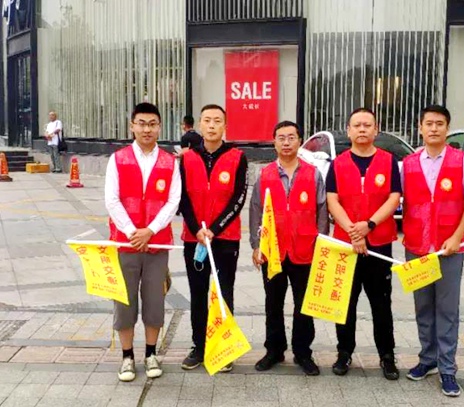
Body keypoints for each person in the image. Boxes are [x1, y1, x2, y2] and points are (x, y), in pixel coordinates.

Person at [402, 104, 464, 397]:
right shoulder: (408, 164)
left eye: (439, 123)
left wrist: (457, 237)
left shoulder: (463, 161)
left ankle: (447, 368)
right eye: (429, 123)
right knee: (423, 308)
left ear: (447, 128)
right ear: (420, 128)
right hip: (417, 248)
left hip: (450, 249)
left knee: (447, 310)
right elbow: (397, 201)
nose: (434, 128)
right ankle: (428, 360)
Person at [105, 102, 182, 382]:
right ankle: (127, 357)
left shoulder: (170, 162)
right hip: (125, 244)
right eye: (141, 123)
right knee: (124, 301)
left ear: (159, 127)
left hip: (157, 244)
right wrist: (132, 231)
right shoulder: (118, 159)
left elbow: (173, 201)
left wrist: (149, 230)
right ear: (132, 126)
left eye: (152, 124)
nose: (147, 129)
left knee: (154, 301)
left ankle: (151, 354)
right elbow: (111, 200)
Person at [325, 107, 401, 380]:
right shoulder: (338, 163)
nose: (362, 129)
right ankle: (344, 352)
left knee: (381, 304)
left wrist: (369, 225)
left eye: (367, 125)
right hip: (345, 246)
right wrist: (353, 232)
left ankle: (387, 356)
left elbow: (394, 197)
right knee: (345, 303)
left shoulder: (388, 161)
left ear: (376, 130)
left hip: (378, 243)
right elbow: (332, 200)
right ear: (348, 131)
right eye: (356, 125)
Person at [249, 121, 329, 376]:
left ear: (300, 141)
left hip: (305, 249)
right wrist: (256, 246)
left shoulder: (313, 174)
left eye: (291, 137)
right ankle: (274, 350)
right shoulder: (265, 175)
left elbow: (322, 211)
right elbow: (255, 210)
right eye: (281, 138)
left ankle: (303, 352)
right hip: (273, 250)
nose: (286, 142)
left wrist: (321, 244)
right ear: (274, 142)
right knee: (273, 303)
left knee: (304, 304)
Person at [179, 104, 248, 372]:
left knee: (223, 293)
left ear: (225, 126)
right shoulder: (187, 158)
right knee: (197, 294)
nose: (211, 125)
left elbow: (239, 198)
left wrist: (215, 229)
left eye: (217, 121)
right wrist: (197, 229)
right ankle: (199, 346)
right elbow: (182, 198)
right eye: (207, 120)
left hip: (226, 238)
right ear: (200, 124)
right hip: (194, 238)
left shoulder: (237, 157)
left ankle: (222, 347)